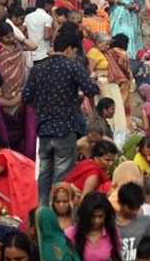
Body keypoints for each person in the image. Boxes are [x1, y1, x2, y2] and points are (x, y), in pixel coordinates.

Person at [23, 31, 99, 206]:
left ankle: (42, 213)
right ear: (70, 49)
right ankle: (58, 216)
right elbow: (90, 90)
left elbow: (26, 97)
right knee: (62, 177)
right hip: (65, 128)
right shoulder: (72, 66)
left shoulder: (38, 68)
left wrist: (42, 108)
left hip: (44, 129)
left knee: (44, 175)